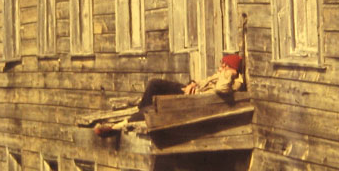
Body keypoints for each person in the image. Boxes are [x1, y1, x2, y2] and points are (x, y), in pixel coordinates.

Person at [94, 54, 245, 135]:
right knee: (155, 84)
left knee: (152, 110)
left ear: (232, 69)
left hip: (194, 103)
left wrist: (229, 73)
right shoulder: (220, 75)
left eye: (225, 65)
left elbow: (221, 90)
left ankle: (115, 128)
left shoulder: (231, 80)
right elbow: (205, 82)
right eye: (222, 63)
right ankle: (139, 110)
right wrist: (193, 84)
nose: (221, 66)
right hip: (191, 93)